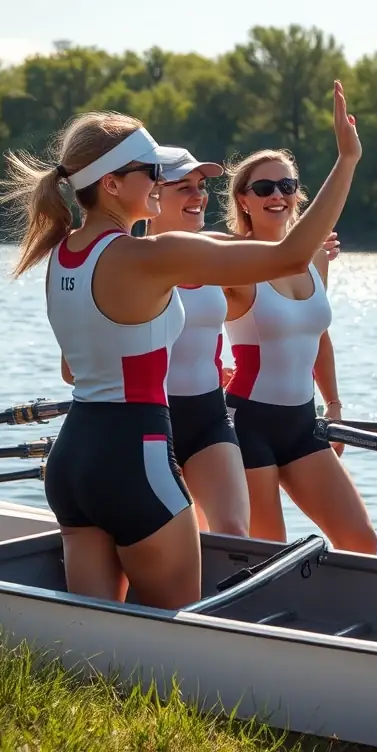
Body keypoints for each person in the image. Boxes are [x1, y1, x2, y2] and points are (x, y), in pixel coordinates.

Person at [0, 82, 361, 610]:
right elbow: (290, 255)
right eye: (153, 172)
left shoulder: (61, 253)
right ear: (114, 184)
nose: (162, 182)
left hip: (74, 457)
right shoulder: (146, 257)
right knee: (171, 630)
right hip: (132, 455)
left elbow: (75, 367)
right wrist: (347, 160)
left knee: (95, 637)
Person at [219, 147, 377, 554]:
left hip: (302, 423)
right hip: (247, 425)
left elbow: (318, 334)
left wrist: (335, 404)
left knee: (361, 541)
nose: (278, 195)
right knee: (266, 553)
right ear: (244, 199)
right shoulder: (231, 261)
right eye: (264, 187)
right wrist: (209, 371)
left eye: (287, 185)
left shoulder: (315, 259)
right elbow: (188, 319)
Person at [145, 147, 250, 537]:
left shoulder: (216, 252)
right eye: (184, 187)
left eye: (201, 187)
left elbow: (284, 252)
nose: (199, 196)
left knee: (234, 533)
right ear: (152, 194)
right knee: (173, 539)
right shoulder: (128, 258)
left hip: (209, 414)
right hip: (150, 420)